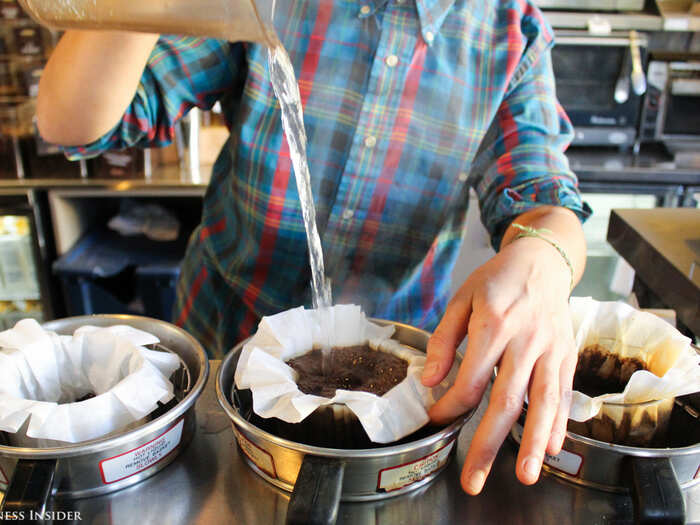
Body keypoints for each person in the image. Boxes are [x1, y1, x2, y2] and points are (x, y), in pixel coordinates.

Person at [37, 0, 590, 495]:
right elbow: (77, 124)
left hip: (401, 392)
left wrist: (544, 258)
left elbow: (542, 201)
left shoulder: (509, 33)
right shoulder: (263, 5)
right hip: (223, 351)